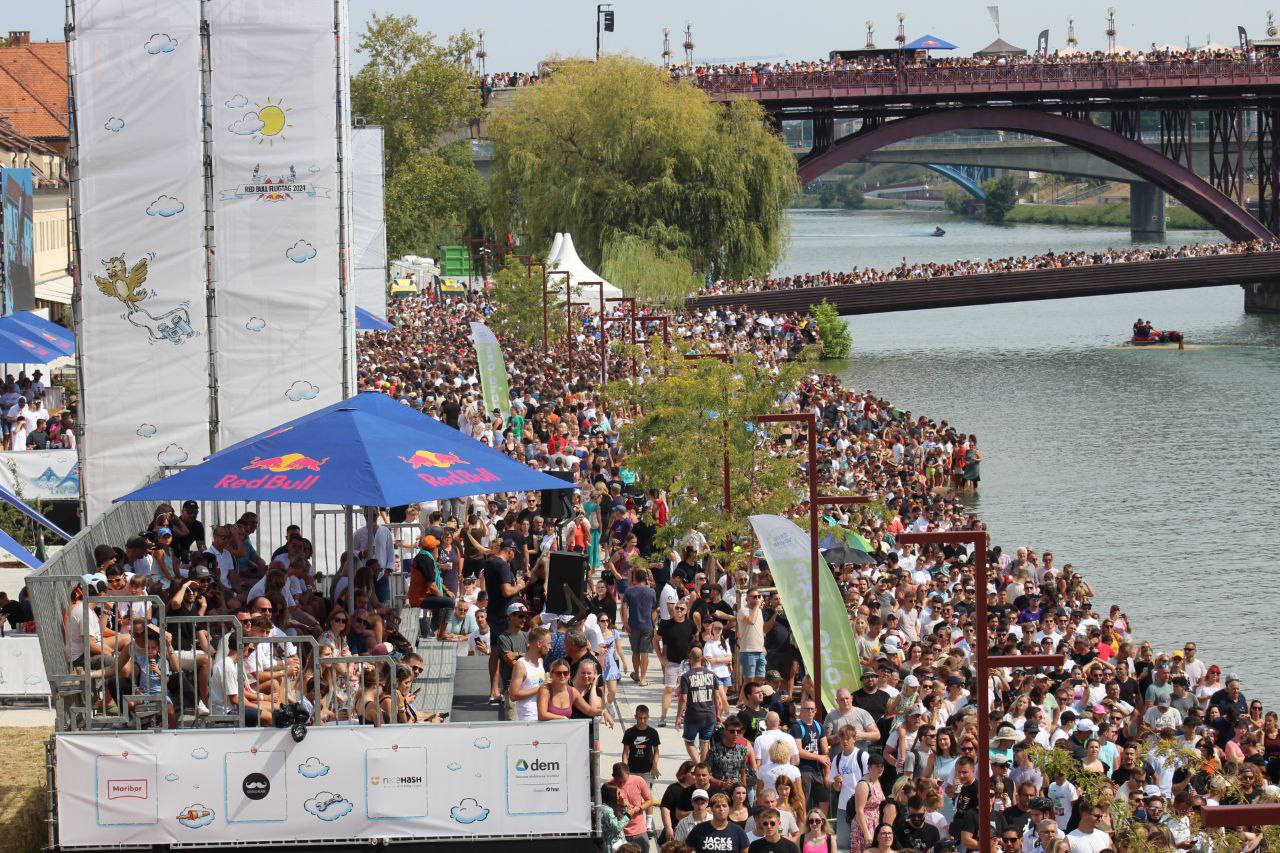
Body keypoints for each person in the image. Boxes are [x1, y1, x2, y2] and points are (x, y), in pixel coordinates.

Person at [678, 647, 724, 762]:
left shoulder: (686, 676)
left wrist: (678, 716)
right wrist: (718, 714)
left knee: (689, 741)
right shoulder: (712, 675)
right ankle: (703, 769)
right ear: (702, 658)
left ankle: (698, 766)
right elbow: (717, 698)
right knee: (705, 743)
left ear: (690, 658)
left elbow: (683, 698)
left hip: (693, 715)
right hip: (710, 714)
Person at [621, 568, 658, 686]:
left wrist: (625, 623)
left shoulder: (629, 591)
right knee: (645, 652)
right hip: (647, 625)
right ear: (646, 578)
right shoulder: (652, 592)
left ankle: (636, 673)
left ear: (635, 578)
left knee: (635, 651)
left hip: (633, 625)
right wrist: (653, 624)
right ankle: (643, 678)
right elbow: (654, 610)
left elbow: (623, 608)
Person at [685, 792, 750, 853]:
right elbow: (687, 850)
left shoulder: (738, 831)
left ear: (729, 808)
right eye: (717, 806)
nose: (721, 809)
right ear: (711, 809)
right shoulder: (699, 829)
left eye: (724, 806)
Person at [509, 626, 549, 721]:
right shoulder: (521, 665)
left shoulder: (540, 661)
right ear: (539, 644)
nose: (550, 647)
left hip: (543, 715)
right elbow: (513, 695)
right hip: (528, 718)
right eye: (548, 643)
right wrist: (540, 688)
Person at [613, 762, 655, 847]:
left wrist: (639, 809)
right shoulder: (609, 786)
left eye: (624, 781)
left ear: (628, 774)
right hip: (620, 833)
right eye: (618, 782)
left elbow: (649, 801)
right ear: (613, 776)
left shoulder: (638, 781)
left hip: (639, 831)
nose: (621, 784)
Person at [622, 704, 662, 783]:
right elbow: (625, 752)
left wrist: (655, 766)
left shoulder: (653, 732)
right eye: (640, 718)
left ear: (648, 717)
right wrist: (625, 769)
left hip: (647, 770)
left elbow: (656, 751)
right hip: (632, 770)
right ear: (635, 717)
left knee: (647, 794)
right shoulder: (629, 732)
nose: (642, 721)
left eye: (645, 718)